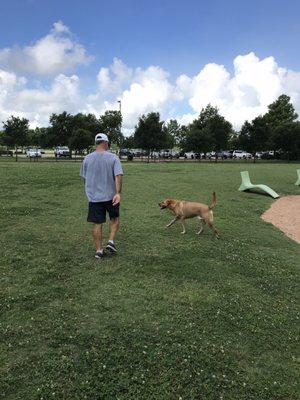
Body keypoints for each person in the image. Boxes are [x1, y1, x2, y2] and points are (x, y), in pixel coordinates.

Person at [80, 133, 123, 259]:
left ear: (96, 143)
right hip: (111, 196)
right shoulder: (113, 158)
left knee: (97, 223)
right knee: (114, 219)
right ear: (105, 142)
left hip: (94, 197)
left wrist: (89, 192)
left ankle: (99, 250)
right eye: (108, 143)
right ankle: (111, 241)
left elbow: (85, 178)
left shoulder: (87, 158)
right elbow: (118, 175)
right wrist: (118, 193)